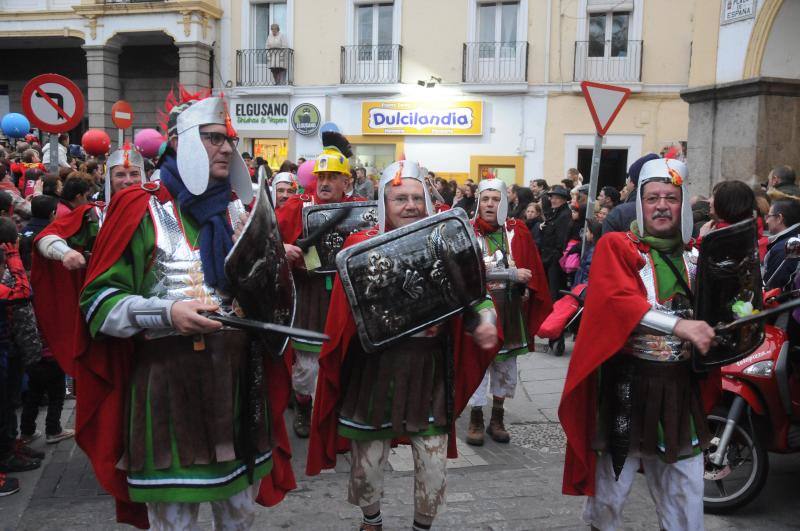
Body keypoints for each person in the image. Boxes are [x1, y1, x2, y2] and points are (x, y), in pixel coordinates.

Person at [77, 93, 295, 528]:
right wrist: (166, 312)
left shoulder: (238, 212)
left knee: (239, 516)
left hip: (235, 385)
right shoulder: (140, 208)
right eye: (214, 138)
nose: (227, 149)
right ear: (180, 141)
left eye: (229, 139)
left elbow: (270, 303)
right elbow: (98, 303)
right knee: (175, 521)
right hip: (167, 386)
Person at [307, 160, 499, 531]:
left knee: (432, 465)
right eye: (400, 199)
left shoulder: (445, 242)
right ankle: (372, 521)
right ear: (384, 203)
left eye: (416, 198)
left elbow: (478, 296)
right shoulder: (359, 247)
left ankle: (421, 527)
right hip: (374, 371)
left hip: (429, 370)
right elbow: (346, 317)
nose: (410, 205)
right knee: (368, 464)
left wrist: (486, 322)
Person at [559, 158, 716, 531]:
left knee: (686, 488)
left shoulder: (696, 256)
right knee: (611, 492)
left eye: (671, 198)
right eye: (653, 198)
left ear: (684, 202)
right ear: (640, 203)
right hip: (626, 387)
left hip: (679, 389)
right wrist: (681, 326)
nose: (662, 205)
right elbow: (618, 301)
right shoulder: (618, 246)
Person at [276, 131, 363, 438]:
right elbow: (268, 241)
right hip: (309, 293)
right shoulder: (294, 207)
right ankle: (302, 404)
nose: (325, 183)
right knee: (306, 366)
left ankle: (334, 410)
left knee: (343, 358)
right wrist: (283, 251)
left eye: (333, 177)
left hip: (345, 295)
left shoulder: (362, 209)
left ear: (346, 182)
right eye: (321, 176)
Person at [32, 145, 144, 377]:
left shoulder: (162, 212)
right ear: (109, 180)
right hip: (110, 315)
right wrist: (65, 253)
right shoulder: (94, 215)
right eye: (120, 174)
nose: (128, 181)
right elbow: (46, 238)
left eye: (134, 174)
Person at [465, 179, 551, 445]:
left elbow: (532, 267)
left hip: (510, 308)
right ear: (479, 201)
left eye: (496, 199)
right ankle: (476, 418)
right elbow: (465, 272)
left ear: (505, 201)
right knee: (478, 365)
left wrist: (525, 281)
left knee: (505, 366)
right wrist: (510, 272)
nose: (491, 204)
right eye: (486, 199)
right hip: (480, 310)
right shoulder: (467, 232)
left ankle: (497, 417)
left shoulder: (518, 231)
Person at [0, 235, 37, 496]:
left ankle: (11, 446)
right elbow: (23, 291)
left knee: (8, 403)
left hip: (8, 349)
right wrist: (14, 260)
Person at [602, 153, 661, 235]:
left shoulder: (618, 214)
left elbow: (607, 245)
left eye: (628, 177)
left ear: (633, 182)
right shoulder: (674, 209)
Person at [539, 185, 572, 301]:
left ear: (564, 199)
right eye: (552, 198)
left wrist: (554, 258)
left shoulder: (565, 215)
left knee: (554, 292)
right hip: (550, 258)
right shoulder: (556, 213)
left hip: (555, 260)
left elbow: (561, 239)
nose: (553, 200)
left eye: (556, 198)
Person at [764, 199, 800, 289]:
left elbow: (772, 289)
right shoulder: (794, 238)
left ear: (779, 218)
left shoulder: (784, 248)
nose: (766, 221)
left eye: (769, 216)